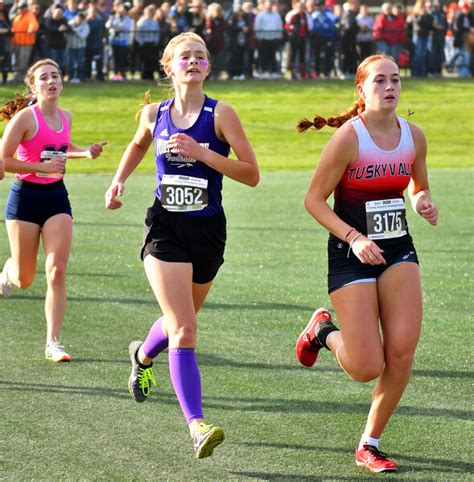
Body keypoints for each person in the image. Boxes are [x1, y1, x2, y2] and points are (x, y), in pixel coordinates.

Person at [104, 32, 259, 458]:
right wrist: (118, 180)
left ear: (208, 67)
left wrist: (202, 153)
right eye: (184, 56)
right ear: (169, 67)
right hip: (165, 229)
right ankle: (197, 425)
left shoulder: (222, 113)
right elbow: (138, 144)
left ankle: (142, 355)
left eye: (201, 56)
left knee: (178, 321)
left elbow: (250, 173)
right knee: (186, 327)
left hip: (208, 232)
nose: (193, 61)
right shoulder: (155, 114)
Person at [294, 54, 438, 473]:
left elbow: (418, 184)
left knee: (402, 352)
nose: (390, 87)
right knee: (365, 366)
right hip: (351, 253)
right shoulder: (348, 139)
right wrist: (355, 238)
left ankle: (369, 443)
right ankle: (322, 330)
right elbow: (313, 200)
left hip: (398, 251)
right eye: (380, 80)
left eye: (395, 80)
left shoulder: (414, 136)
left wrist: (422, 201)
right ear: (362, 89)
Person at [0, 59, 107, 362]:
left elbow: (61, 144)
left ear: (62, 81)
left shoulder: (66, 116)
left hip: (56, 198)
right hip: (25, 198)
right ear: (34, 86)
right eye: (44, 77)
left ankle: (53, 343)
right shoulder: (24, 119)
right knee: (25, 279)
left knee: (57, 271)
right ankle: (8, 272)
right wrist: (40, 167)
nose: (51, 81)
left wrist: (85, 152)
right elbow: (3, 159)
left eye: (55, 76)